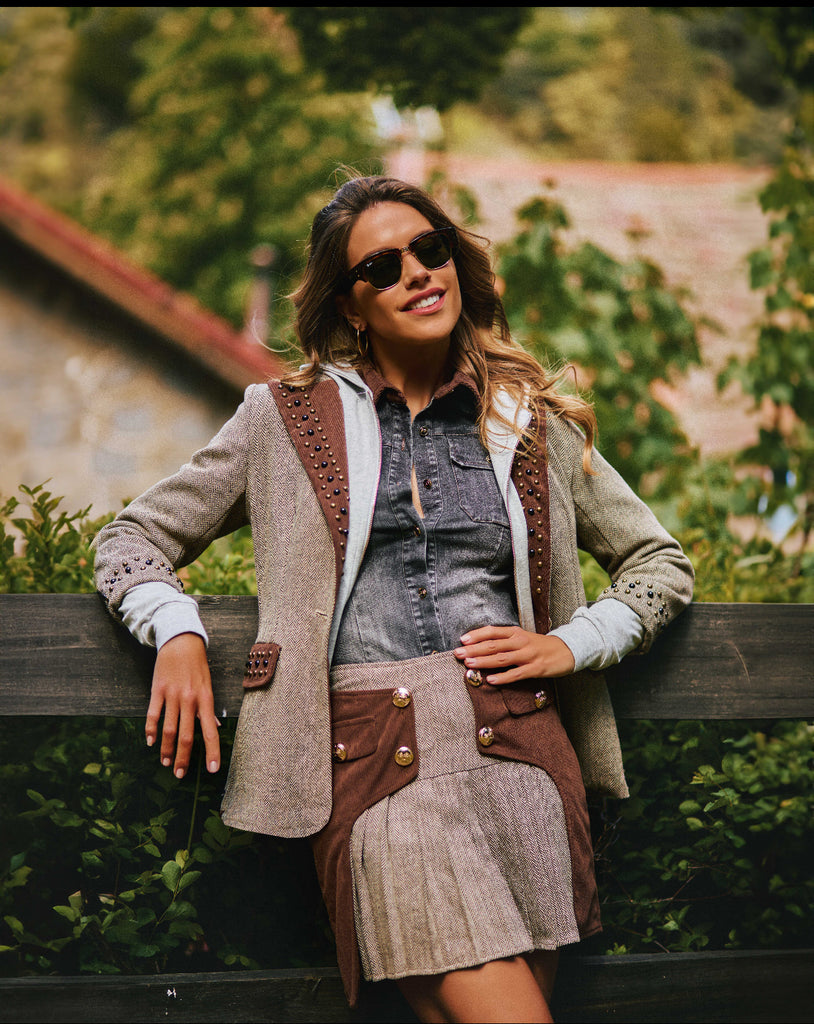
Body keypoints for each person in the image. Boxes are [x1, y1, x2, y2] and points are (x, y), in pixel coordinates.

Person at [93, 173, 694, 1023]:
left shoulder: (527, 422)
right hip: (380, 769)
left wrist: (574, 643)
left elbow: (658, 561)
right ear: (350, 306)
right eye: (383, 266)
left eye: (431, 250)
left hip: (525, 757)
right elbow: (131, 540)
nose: (417, 272)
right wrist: (177, 632)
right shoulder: (282, 419)